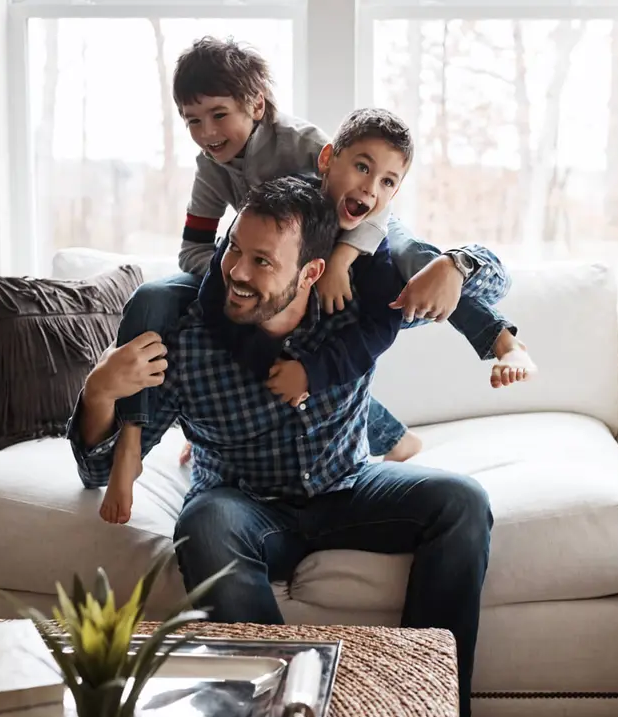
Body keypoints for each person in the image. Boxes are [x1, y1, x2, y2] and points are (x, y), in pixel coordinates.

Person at [68, 176, 492, 717]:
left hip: (349, 485)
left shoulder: (354, 307)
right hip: (244, 503)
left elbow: (491, 286)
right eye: (234, 252)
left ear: (312, 271)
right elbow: (96, 472)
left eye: (263, 262)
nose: (238, 273)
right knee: (205, 522)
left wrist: (456, 266)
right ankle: (281, 710)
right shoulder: (187, 338)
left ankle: (429, 705)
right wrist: (99, 390)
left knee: (462, 500)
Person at [108, 36, 536, 485]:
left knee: (417, 264)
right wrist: (239, 270)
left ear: (256, 106)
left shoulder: (304, 145)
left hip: (358, 232)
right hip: (281, 271)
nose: (206, 131)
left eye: (218, 115)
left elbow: (368, 197)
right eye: (192, 120)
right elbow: (192, 249)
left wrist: (340, 259)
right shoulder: (211, 168)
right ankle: (145, 433)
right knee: (156, 296)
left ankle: (502, 341)